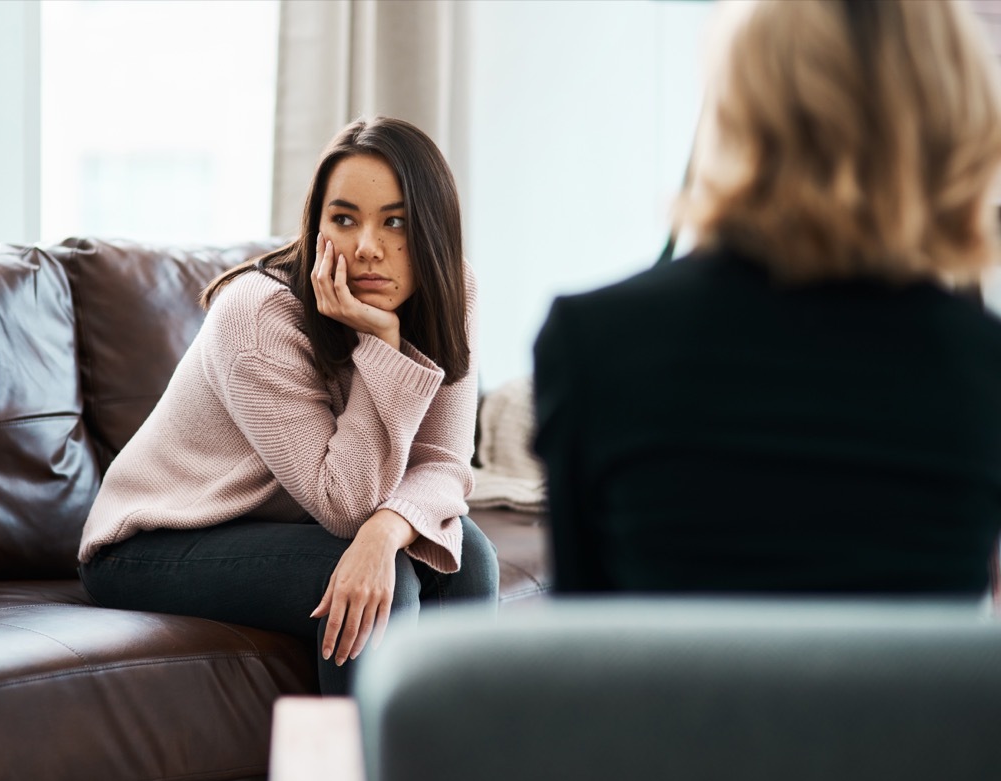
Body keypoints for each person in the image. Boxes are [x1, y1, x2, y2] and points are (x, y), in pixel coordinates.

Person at [533, 0, 1001, 596]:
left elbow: (583, 647)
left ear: (736, 105)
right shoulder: (983, 368)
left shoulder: (590, 344)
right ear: (952, 110)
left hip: (672, 695)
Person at [77, 116, 499, 695]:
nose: (367, 248)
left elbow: (445, 464)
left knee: (467, 554)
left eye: (395, 221)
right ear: (317, 224)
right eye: (344, 219)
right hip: (151, 543)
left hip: (287, 522)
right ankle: (350, 778)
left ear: (433, 228)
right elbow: (346, 504)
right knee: (387, 583)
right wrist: (382, 345)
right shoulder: (257, 316)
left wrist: (385, 532)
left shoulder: (455, 289)